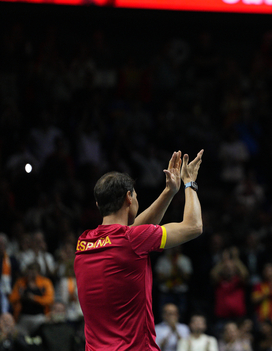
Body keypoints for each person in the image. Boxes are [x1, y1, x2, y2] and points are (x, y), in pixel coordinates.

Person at [74, 150, 204, 350]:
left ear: (99, 204)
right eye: (135, 195)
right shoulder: (131, 240)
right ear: (129, 197)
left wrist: (168, 192)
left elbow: (129, 233)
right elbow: (193, 226)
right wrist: (189, 183)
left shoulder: (84, 242)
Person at [8, 262, 54, 336]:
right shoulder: (21, 282)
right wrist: (21, 295)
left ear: (38, 272)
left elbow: (49, 300)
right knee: (21, 338)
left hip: (39, 317)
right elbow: (12, 299)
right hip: (23, 316)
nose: (32, 275)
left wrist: (34, 298)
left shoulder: (45, 283)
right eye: (30, 272)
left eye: (34, 272)